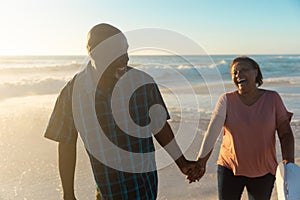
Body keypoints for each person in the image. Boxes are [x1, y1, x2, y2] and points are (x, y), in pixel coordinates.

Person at [44, 23, 196, 200]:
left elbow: (159, 127)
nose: (126, 58)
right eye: (116, 52)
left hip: (144, 187)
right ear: (93, 52)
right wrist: (68, 194)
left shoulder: (143, 83)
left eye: (125, 50)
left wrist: (182, 163)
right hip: (107, 189)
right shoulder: (72, 93)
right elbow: (66, 143)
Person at [188, 56, 295, 200]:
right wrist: (201, 162)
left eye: (243, 70)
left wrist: (289, 166)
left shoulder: (273, 99)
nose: (238, 75)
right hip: (229, 168)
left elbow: (285, 133)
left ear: (256, 72)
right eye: (234, 73)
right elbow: (212, 132)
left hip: (264, 171)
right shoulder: (226, 100)